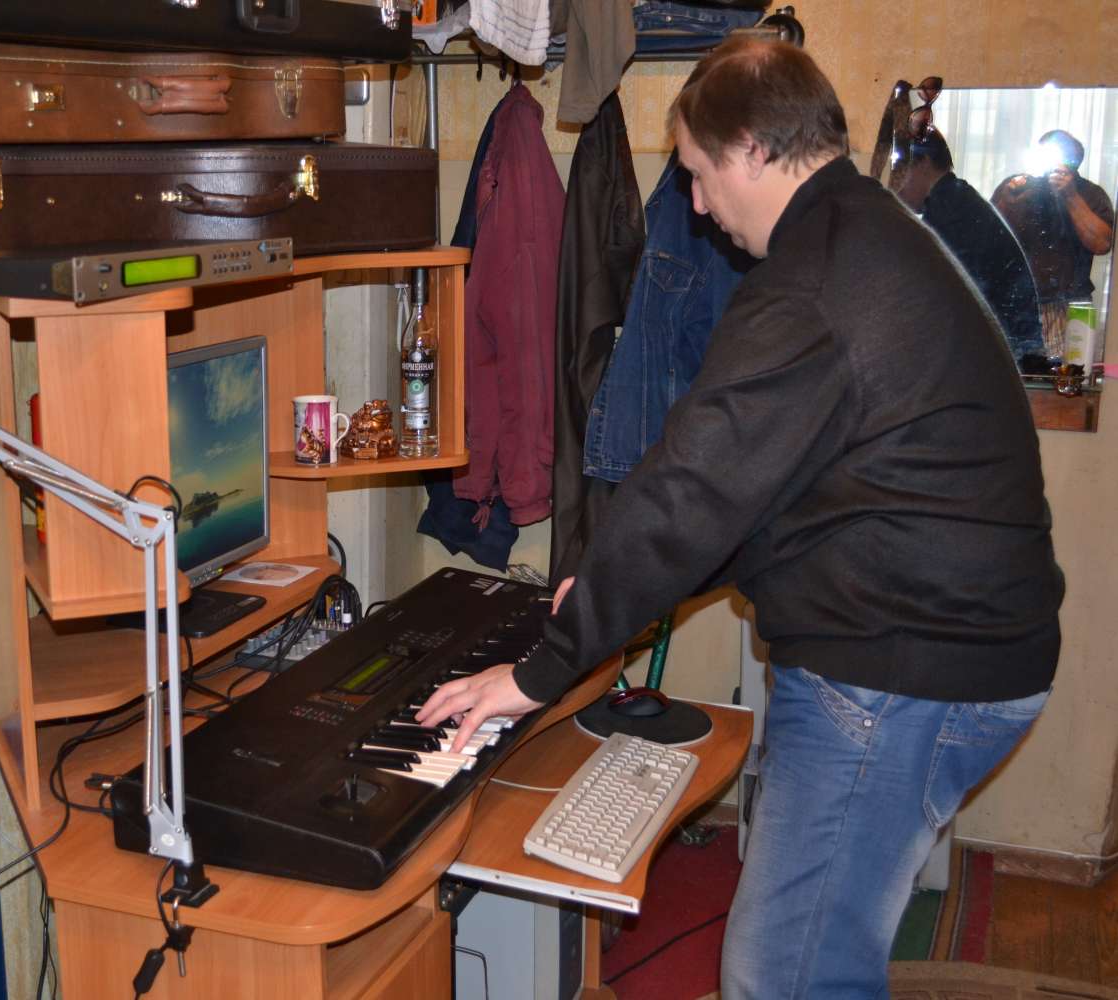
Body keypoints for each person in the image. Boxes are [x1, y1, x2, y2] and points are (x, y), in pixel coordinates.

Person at [418, 37, 1062, 999]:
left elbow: (691, 490)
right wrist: (608, 597)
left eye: (697, 172)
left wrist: (540, 672)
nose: (697, 205)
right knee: (817, 957)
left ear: (754, 149)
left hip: (901, 671)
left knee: (784, 978)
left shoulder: (813, 284)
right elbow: (767, 490)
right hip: (952, 649)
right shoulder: (862, 235)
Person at [893, 127, 1047, 362]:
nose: (893, 185)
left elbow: (938, 300)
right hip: (1009, 345)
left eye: (898, 171)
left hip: (1003, 351)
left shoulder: (948, 210)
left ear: (923, 163)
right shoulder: (956, 197)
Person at [992, 129, 1114, 356]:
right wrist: (1006, 202)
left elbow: (1101, 244)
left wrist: (1070, 195)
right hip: (1018, 302)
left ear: (1075, 161)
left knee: (1068, 373)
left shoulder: (1090, 194)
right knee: (1011, 371)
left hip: (1069, 305)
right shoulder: (1020, 187)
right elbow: (989, 236)